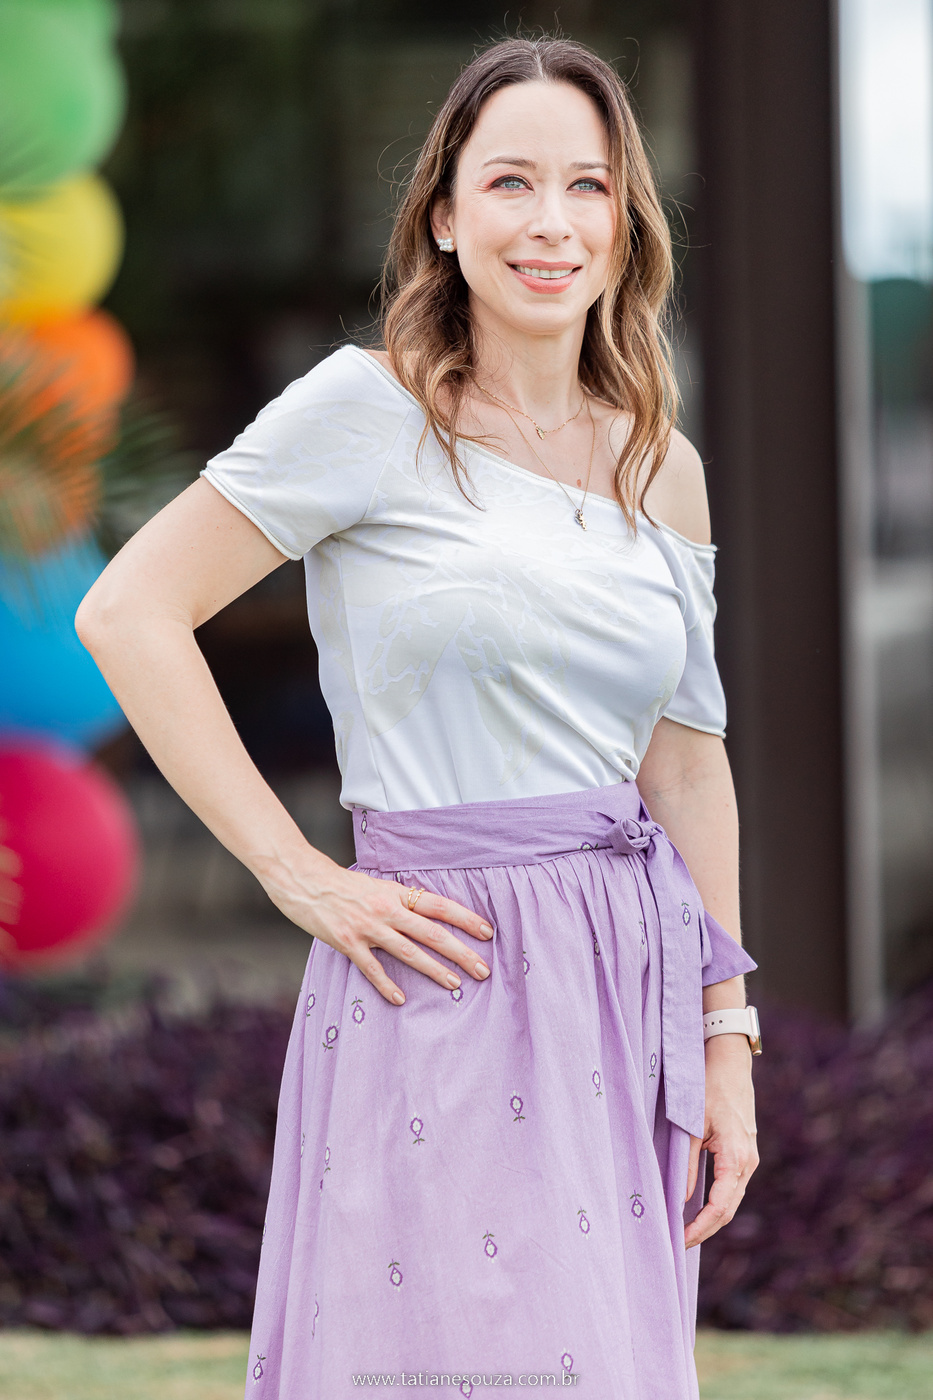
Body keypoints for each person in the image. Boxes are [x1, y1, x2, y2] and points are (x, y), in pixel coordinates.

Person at [77, 35, 759, 1400]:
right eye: (510, 182)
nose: (551, 221)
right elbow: (129, 611)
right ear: (445, 216)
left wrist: (724, 1037)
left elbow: (686, 767)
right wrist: (297, 874)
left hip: (622, 981)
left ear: (624, 222)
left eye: (586, 185)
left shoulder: (662, 464)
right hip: (439, 966)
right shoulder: (364, 411)